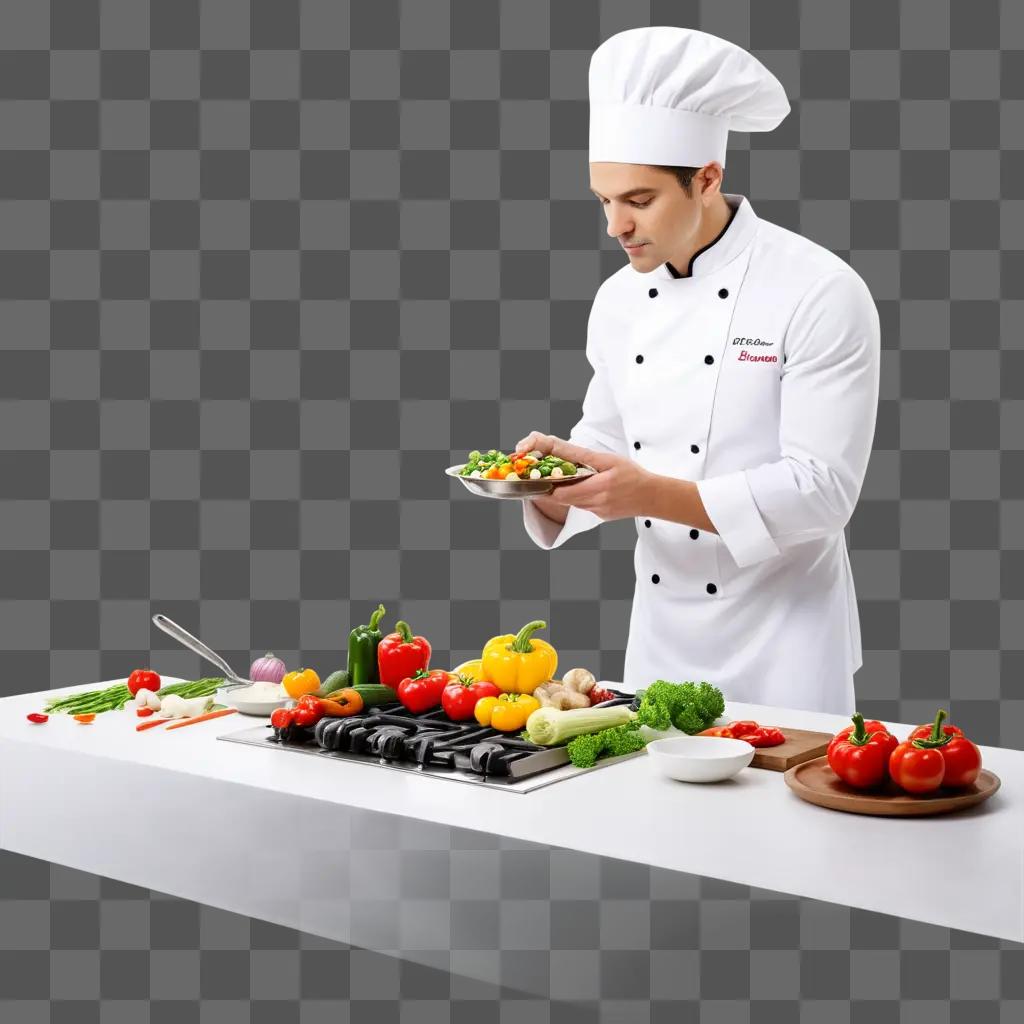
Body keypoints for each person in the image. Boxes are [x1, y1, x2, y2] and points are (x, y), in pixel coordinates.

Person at [517, 27, 880, 715]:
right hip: (660, 644)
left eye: (640, 200)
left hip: (787, 645)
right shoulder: (619, 299)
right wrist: (547, 487)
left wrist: (646, 493)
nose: (615, 227)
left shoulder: (818, 289)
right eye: (603, 201)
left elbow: (824, 490)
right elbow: (612, 447)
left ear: (708, 176)